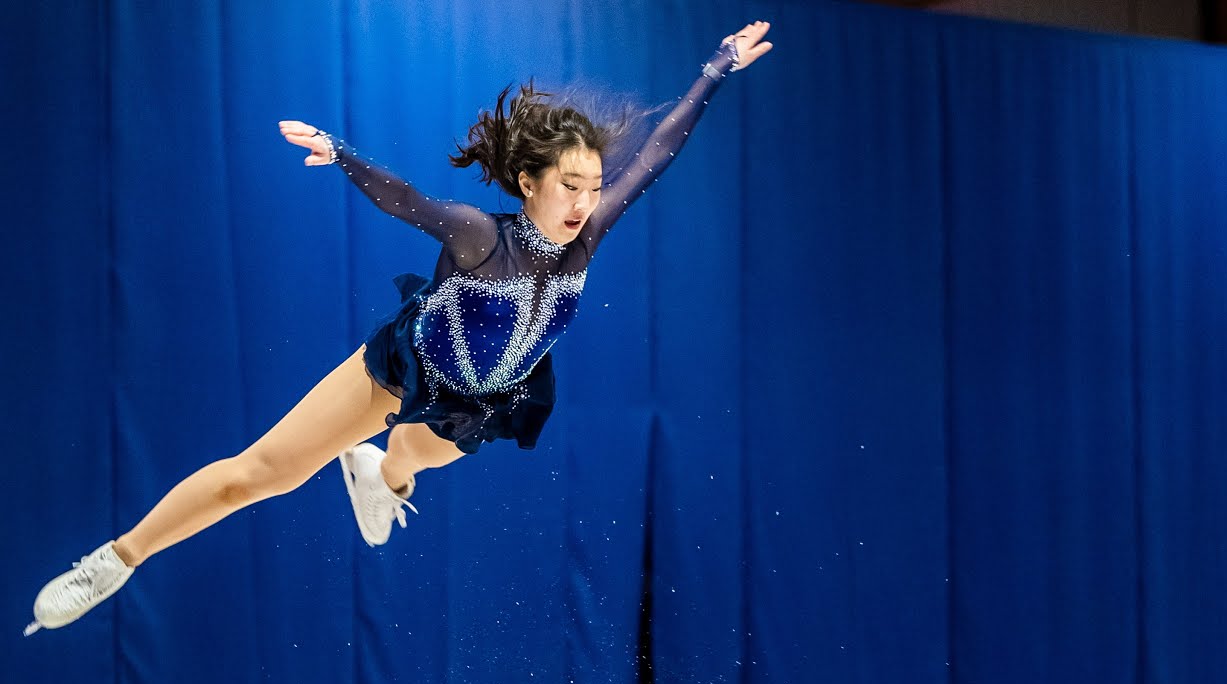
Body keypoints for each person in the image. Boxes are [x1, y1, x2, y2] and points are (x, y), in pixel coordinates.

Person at [25, 21, 774, 636]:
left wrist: (716, 68)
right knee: (263, 476)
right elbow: (408, 200)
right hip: (402, 369)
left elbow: (656, 153)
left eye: (593, 187)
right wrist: (343, 154)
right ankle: (117, 560)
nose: (585, 201)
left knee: (406, 462)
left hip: (476, 401)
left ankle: (378, 476)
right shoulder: (482, 236)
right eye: (569, 185)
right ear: (527, 183)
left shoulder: (591, 233)